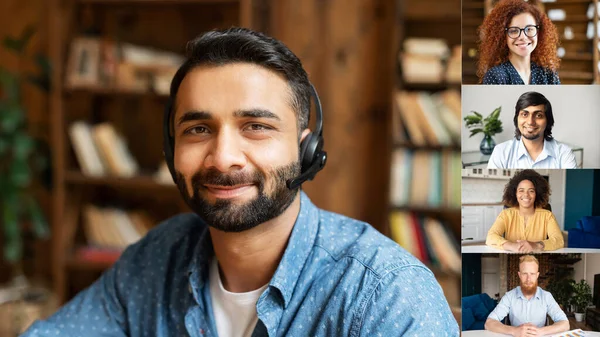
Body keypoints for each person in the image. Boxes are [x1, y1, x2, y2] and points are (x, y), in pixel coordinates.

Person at [21, 28, 458, 336]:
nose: (224, 157)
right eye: (197, 129)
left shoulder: (385, 294)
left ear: (306, 151)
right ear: (171, 151)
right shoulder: (158, 258)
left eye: (256, 127)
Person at [478, 0, 561, 84]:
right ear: (502, 36)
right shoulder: (495, 76)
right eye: (514, 31)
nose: (523, 37)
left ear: (539, 32)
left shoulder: (549, 74)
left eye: (529, 29)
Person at [487, 91, 576, 169]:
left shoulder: (564, 153)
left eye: (538, 115)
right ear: (517, 118)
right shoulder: (501, 152)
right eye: (525, 114)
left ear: (548, 120)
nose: (530, 122)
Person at [485, 255, 569, 336]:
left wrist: (541, 331)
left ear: (537, 275)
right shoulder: (509, 296)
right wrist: (514, 331)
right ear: (519, 275)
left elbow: (565, 324)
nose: (528, 279)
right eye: (525, 273)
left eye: (532, 274)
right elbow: (489, 323)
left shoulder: (546, 296)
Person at [486, 169, 564, 252]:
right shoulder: (506, 214)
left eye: (531, 191)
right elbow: (491, 236)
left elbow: (559, 240)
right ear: (515, 193)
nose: (526, 195)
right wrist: (512, 246)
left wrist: (536, 245)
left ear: (536, 194)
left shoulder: (547, 216)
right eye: (521, 190)